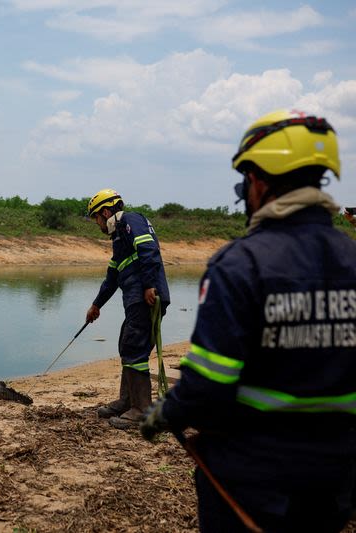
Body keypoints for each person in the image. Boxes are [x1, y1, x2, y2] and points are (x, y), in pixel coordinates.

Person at [141, 110, 356, 532]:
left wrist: (165, 413)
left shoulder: (240, 265)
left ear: (258, 182)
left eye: (246, 180)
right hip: (336, 483)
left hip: (251, 484)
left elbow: (208, 384)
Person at [85, 189, 170, 429]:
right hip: (135, 300)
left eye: (97, 219)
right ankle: (127, 402)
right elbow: (112, 278)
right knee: (128, 344)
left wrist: (150, 285)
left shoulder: (131, 220)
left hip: (146, 298)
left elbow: (149, 251)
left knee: (135, 348)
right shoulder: (119, 238)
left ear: (105, 212)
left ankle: (141, 410)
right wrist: (96, 305)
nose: (98, 224)